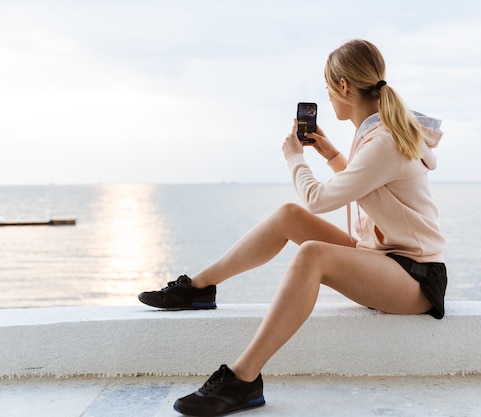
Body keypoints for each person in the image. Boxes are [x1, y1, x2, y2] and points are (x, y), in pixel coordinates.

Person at [138, 39, 448, 417]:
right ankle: (198, 289)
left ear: (344, 87)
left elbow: (318, 199)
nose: (329, 99)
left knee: (312, 254)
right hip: (383, 261)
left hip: (415, 277)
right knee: (289, 215)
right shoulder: (378, 132)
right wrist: (332, 156)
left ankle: (244, 378)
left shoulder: (383, 140)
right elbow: (370, 188)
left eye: (328, 89)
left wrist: (294, 159)